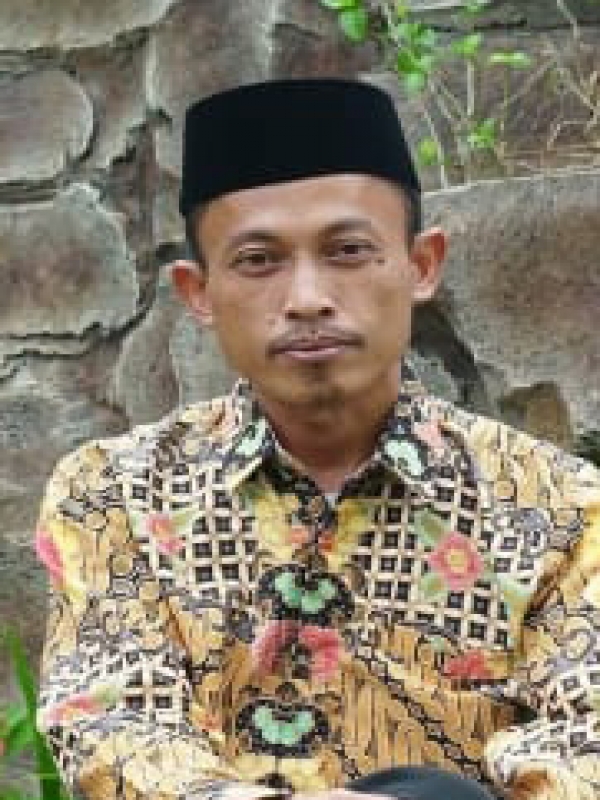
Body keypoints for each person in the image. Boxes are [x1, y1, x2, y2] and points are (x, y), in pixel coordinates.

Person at [34, 79, 600, 800]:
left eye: (349, 250)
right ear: (197, 292)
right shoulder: (113, 494)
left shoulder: (561, 507)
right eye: (258, 260)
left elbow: (587, 737)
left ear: (422, 265)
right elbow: (112, 727)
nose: (306, 298)